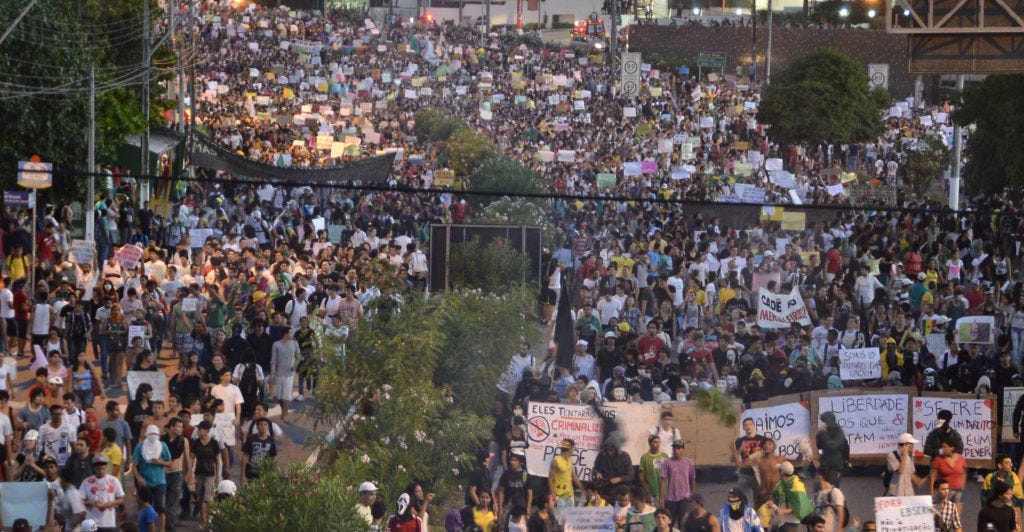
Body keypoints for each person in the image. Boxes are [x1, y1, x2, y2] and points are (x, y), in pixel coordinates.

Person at [132, 424, 171, 532]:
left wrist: (160, 462)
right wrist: (138, 478)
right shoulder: (140, 447)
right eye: (151, 434)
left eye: (155, 434)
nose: (153, 436)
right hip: (145, 482)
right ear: (146, 435)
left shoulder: (162, 446)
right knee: (146, 508)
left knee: (161, 508)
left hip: (160, 481)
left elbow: (169, 463)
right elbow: (134, 466)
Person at [81, 453, 125, 531]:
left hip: (109, 522)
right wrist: (90, 502)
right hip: (92, 522)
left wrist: (112, 503)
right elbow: (79, 501)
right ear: (94, 468)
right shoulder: (86, 482)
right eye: (98, 469)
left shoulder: (114, 480)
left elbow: (121, 499)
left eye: (103, 469)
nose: (101, 471)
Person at [660, 440, 696, 528]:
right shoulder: (667, 462)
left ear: (683, 449)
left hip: (685, 498)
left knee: (683, 523)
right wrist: (661, 497)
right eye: (674, 448)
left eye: (679, 448)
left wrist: (693, 496)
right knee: (668, 523)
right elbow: (663, 480)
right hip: (671, 498)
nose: (676, 450)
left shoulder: (689, 462)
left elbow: (692, 479)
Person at [734, 417, 769, 506]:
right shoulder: (739, 441)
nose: (748, 426)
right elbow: (732, 459)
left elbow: (768, 455)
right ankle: (745, 517)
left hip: (758, 474)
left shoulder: (762, 439)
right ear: (743, 427)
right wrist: (739, 450)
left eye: (750, 424)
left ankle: (758, 519)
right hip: (744, 474)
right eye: (746, 425)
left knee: (759, 500)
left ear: (754, 426)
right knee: (741, 499)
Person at [769, 461, 813, 532]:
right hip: (782, 520)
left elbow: (798, 507)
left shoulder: (796, 486)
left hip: (791, 522)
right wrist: (772, 504)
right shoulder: (782, 483)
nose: (777, 472)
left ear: (782, 473)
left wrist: (783, 511)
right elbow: (774, 497)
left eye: (779, 470)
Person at [930, 438, 966, 517]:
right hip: (944, 492)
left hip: (958, 491)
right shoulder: (938, 459)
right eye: (942, 447)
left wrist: (962, 486)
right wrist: (932, 493)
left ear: (952, 448)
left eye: (945, 447)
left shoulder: (961, 459)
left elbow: (963, 473)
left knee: (957, 517)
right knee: (943, 516)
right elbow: (933, 478)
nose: (942, 449)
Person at [548, 439, 583, 519]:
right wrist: (552, 495)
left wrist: (582, 488)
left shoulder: (570, 460)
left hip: (569, 494)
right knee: (559, 520)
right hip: (559, 495)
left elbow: (574, 476)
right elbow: (550, 479)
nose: (574, 450)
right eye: (573, 448)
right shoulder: (556, 461)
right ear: (570, 448)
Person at [814, 412, 849, 484]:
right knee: (820, 486)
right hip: (824, 463)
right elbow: (819, 446)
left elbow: (832, 445)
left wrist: (823, 434)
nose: (823, 424)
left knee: (833, 487)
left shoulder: (838, 432)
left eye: (825, 422)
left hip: (835, 465)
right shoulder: (823, 432)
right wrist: (819, 435)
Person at [240, 417, 276, 482]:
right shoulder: (251, 438)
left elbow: (272, 458)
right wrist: (242, 475)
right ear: (257, 427)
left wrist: (272, 474)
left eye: (265, 424)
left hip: (265, 473)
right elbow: (245, 456)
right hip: (251, 472)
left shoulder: (271, 440)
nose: (263, 427)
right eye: (261, 424)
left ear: (268, 427)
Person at [640, 435, 669, 504]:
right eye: (655, 442)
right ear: (650, 443)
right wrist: (647, 492)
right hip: (651, 493)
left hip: (664, 493)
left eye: (658, 442)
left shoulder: (665, 456)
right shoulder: (644, 458)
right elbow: (641, 477)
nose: (657, 444)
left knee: (663, 513)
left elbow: (668, 474)